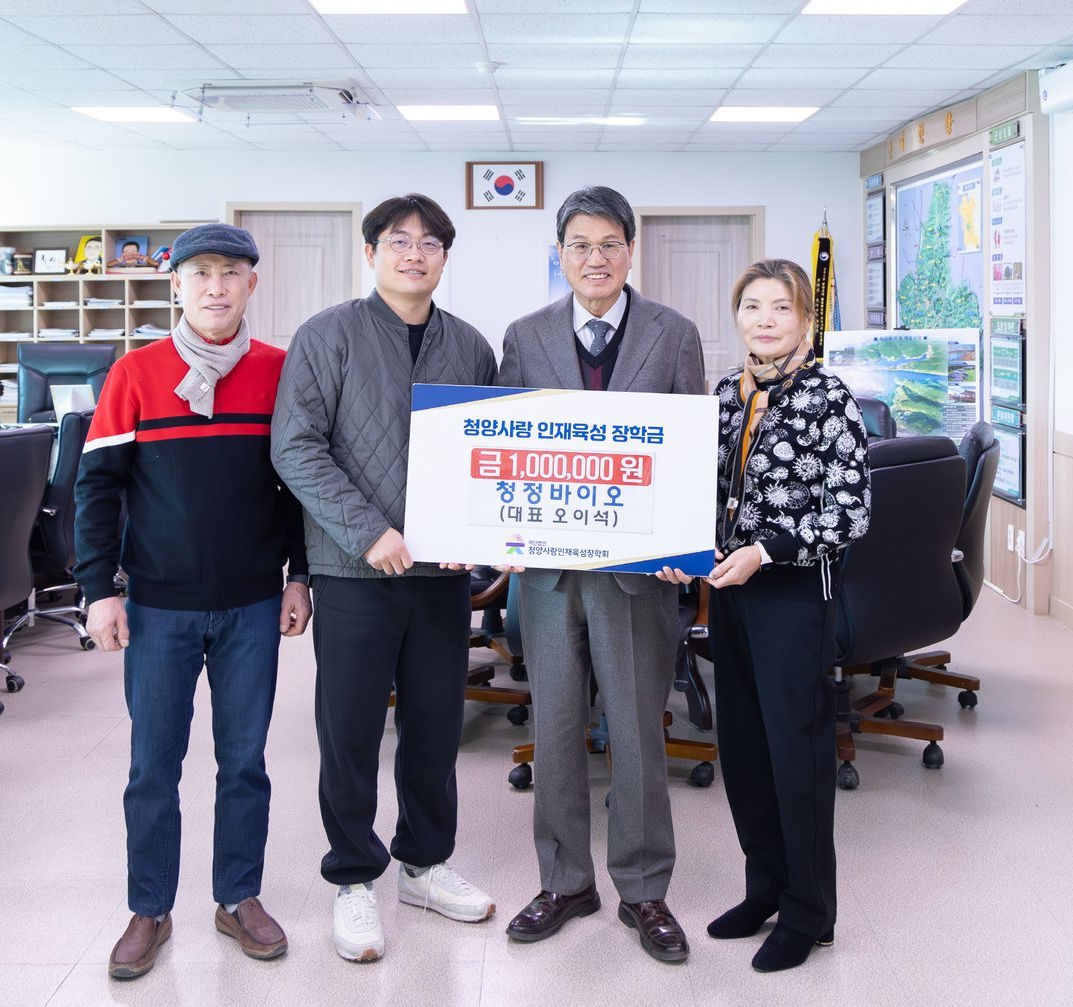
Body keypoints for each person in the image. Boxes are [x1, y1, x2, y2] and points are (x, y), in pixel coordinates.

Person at [73, 222, 311, 980]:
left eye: (231, 272)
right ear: (175, 284)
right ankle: (149, 907)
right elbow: (96, 490)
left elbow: (298, 486)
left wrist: (299, 576)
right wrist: (97, 591)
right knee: (153, 765)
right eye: (200, 272)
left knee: (244, 762)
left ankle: (238, 895)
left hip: (251, 605)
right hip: (158, 608)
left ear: (252, 284)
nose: (216, 286)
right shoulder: (135, 374)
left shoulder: (278, 371)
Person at [270, 193, 498, 963]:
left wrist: (480, 535)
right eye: (399, 240)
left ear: (443, 258)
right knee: (351, 730)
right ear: (371, 252)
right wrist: (367, 531)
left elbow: (487, 453)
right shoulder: (326, 335)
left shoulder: (470, 346)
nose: (414, 254)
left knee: (436, 727)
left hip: (441, 578)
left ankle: (425, 865)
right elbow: (295, 447)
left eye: (430, 243)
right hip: (352, 570)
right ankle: (353, 877)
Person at [498, 185, 705, 963]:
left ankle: (644, 888)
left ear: (630, 250)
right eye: (580, 244)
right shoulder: (525, 335)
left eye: (609, 243)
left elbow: (690, 453)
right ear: (561, 254)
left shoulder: (673, 333)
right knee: (554, 732)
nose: (595, 258)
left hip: (638, 577)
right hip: (549, 575)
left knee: (638, 733)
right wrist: (496, 530)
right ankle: (564, 880)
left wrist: (683, 544)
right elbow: (506, 446)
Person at [658, 258, 870, 972]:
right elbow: (698, 490)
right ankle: (765, 889)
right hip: (731, 592)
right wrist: (678, 549)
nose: (765, 319)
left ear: (805, 318)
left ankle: (810, 911)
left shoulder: (829, 397)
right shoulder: (726, 393)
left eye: (781, 307)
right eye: (752, 306)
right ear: (737, 316)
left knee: (795, 755)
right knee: (745, 749)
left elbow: (850, 513)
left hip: (791, 594)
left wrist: (766, 549)